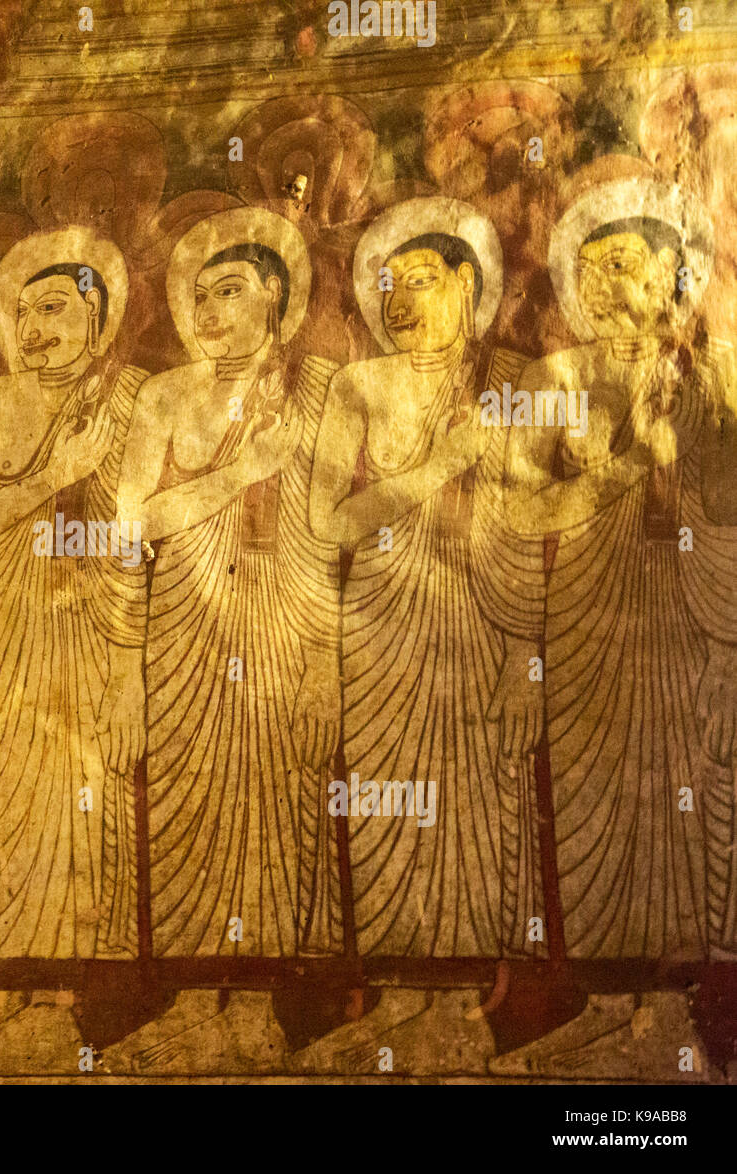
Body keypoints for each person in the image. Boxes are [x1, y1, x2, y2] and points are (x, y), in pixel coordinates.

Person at [299, 197, 546, 1074]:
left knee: (482, 810)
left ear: (470, 285)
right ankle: (401, 993)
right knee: (389, 804)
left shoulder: (511, 380)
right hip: (381, 629)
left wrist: (529, 657)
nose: (403, 301)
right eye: (388, 285)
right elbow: (331, 521)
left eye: (425, 280)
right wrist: (438, 465)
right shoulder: (356, 386)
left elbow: (535, 526)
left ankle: (468, 998)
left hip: (485, 623)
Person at [493, 177, 730, 1078]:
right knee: (588, 798)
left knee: (689, 792)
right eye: (585, 271)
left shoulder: (713, 375)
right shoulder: (553, 378)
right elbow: (514, 515)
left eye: (623, 265)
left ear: (676, 274)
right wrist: (613, 475)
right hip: (585, 615)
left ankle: (684, 997)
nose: (599, 288)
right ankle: (600, 988)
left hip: (684, 614)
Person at [109, 206, 344, 1073]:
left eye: (231, 291)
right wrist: (240, 469)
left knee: (286, 802)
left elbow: (330, 535)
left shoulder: (320, 390)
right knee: (187, 804)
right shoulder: (164, 396)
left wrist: (325, 660)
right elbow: (135, 522)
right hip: (185, 626)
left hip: (289, 622)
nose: (209, 311)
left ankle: (270, 1001)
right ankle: (194, 994)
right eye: (198, 295)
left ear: (276, 299)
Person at [0, 227, 146, 1073]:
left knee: (83, 794)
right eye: (24, 311)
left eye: (57, 307)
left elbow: (135, 536)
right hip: (1, 613)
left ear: (97, 314)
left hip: (91, 613)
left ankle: (63, 1001)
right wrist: (52, 474)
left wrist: (129, 670)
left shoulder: (133, 399)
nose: (38, 327)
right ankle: (2, 991)